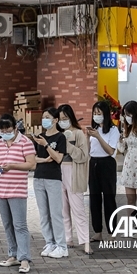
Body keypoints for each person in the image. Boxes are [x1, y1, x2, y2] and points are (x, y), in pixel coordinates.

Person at [0, 114, 37, 274]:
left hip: (17, 190)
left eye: (8, 130)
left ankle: (24, 258)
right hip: (1, 189)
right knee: (7, 225)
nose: (5, 133)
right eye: (2, 130)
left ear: (15, 128)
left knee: (20, 225)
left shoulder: (26, 142)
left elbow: (31, 164)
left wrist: (13, 166)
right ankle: (13, 254)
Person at [31, 108, 68, 259]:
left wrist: (46, 145)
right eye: (43, 117)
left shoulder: (60, 137)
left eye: (48, 117)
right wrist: (45, 159)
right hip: (38, 177)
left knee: (55, 213)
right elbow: (33, 159)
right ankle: (49, 242)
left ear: (55, 120)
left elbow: (58, 158)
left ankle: (61, 245)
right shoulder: (39, 137)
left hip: (53, 178)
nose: (44, 120)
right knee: (44, 213)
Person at [57, 104, 90, 252]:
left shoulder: (78, 133)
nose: (62, 121)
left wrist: (67, 145)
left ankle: (85, 241)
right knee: (62, 208)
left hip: (73, 171)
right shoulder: (57, 134)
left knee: (78, 208)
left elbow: (83, 156)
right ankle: (67, 238)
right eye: (60, 119)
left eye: (65, 118)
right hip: (58, 173)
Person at [85, 101, 119, 236]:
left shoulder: (113, 130)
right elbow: (88, 151)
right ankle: (97, 231)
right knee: (94, 198)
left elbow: (110, 151)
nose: (96, 116)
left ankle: (112, 232)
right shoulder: (94, 130)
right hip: (94, 163)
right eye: (94, 113)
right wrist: (87, 137)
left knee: (109, 199)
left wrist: (98, 137)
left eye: (99, 113)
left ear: (106, 114)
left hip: (107, 164)